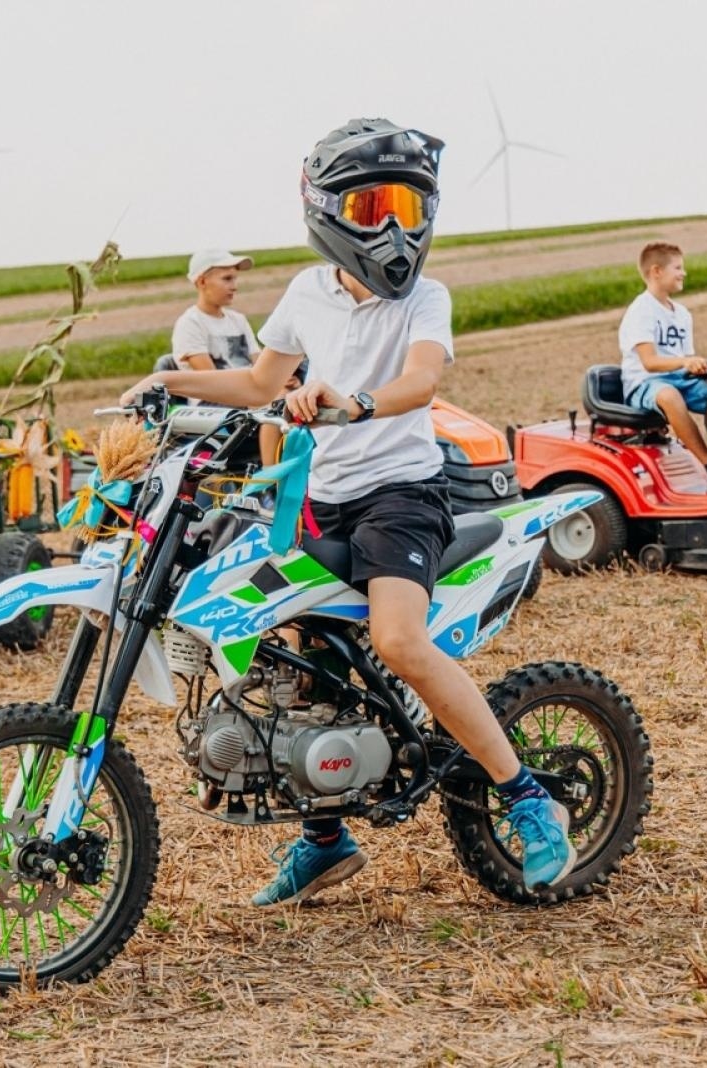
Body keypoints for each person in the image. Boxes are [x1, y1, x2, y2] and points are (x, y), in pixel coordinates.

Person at [121, 117, 578, 906]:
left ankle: (528, 799)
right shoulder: (308, 292)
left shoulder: (424, 298)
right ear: (327, 211)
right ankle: (326, 839)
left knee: (399, 642)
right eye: (373, 208)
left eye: (407, 205)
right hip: (321, 502)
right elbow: (260, 383)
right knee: (294, 665)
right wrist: (169, 383)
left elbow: (421, 382)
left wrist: (355, 401)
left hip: (402, 499)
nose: (393, 227)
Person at [618, 242, 707, 492]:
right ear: (656, 271)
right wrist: (685, 362)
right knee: (669, 396)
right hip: (645, 384)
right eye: (677, 268)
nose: (683, 273)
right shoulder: (641, 311)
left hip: (679, 378)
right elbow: (650, 362)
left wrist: (701, 369)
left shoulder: (682, 314)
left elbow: (686, 359)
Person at [172, 250, 260, 372]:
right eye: (227, 279)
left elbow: (261, 368)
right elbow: (211, 378)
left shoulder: (239, 320)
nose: (234, 287)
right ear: (202, 282)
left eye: (235, 279)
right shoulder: (190, 324)